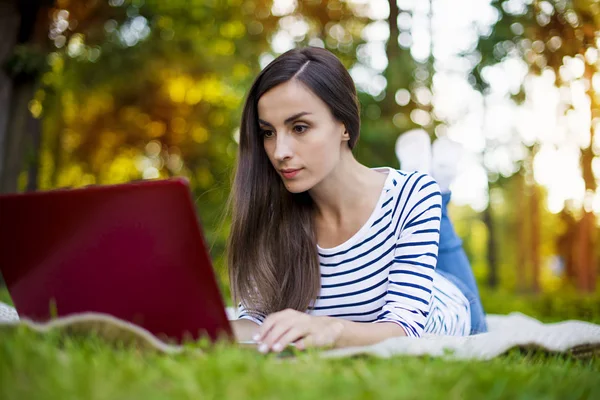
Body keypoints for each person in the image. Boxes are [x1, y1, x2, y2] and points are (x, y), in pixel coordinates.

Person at [227, 47, 487, 354]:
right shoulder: (272, 214)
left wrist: (330, 328)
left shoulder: (413, 196)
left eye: (299, 127)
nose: (280, 151)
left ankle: (435, 189)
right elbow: (254, 321)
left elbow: (406, 329)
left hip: (446, 301)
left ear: (345, 126)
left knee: (427, 198)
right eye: (268, 132)